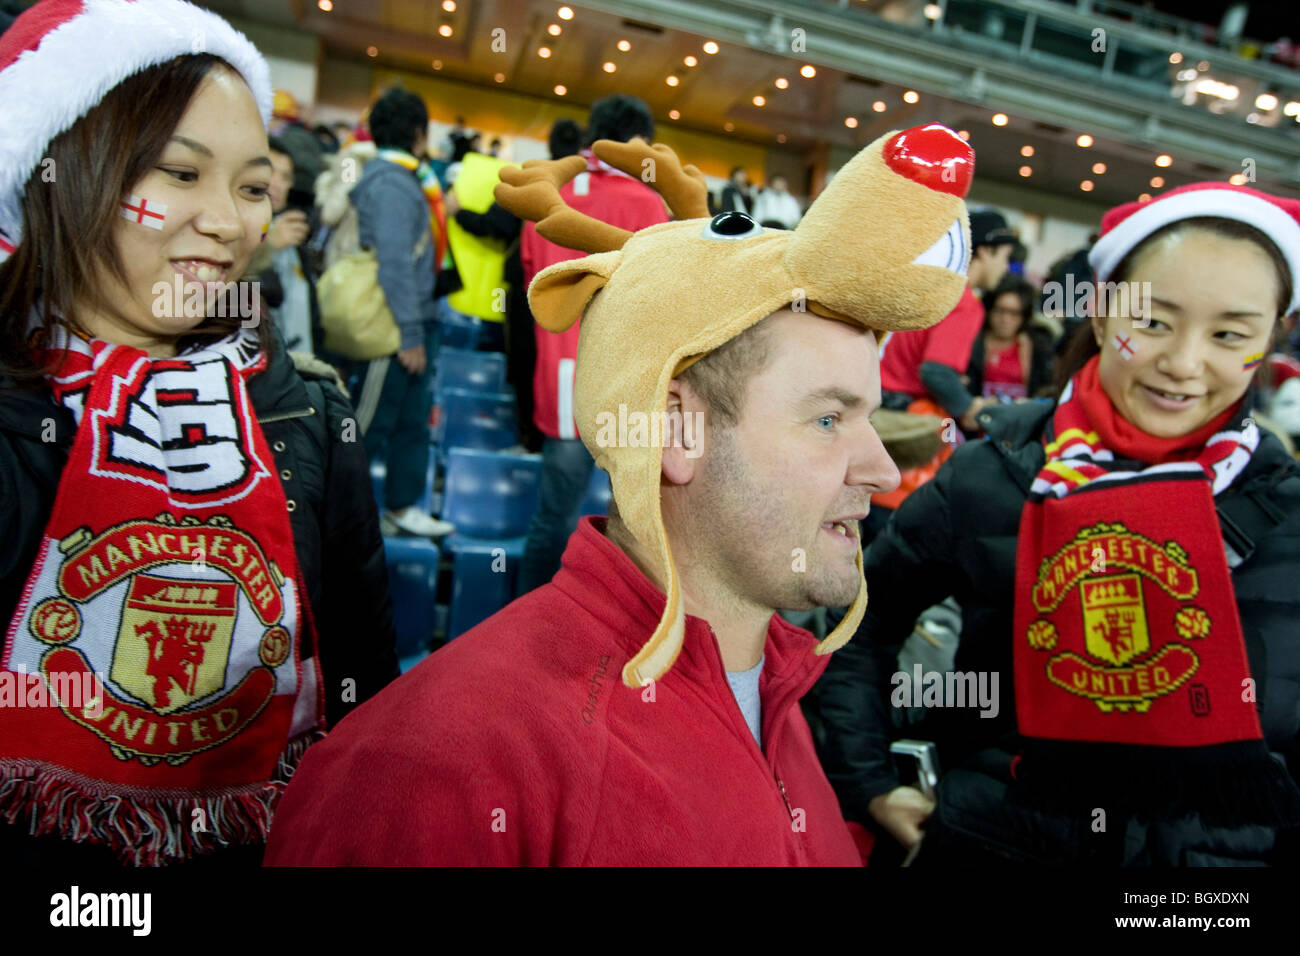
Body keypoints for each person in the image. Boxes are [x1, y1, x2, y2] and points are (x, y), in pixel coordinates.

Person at [263, 123, 975, 866]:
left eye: (867, 415)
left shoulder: (782, 691)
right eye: (828, 418)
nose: (883, 471)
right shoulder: (429, 771)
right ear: (674, 433)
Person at [0, 0, 396, 866]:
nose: (228, 222)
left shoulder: (306, 414)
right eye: (181, 174)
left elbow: (364, 696)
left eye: (253, 187)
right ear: (55, 171)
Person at [817, 182, 1300, 866]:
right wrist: (868, 783)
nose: (1185, 364)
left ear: (1274, 338)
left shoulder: (1288, 512)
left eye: (1230, 335)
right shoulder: (995, 474)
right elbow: (857, 617)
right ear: (1100, 315)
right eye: (1154, 321)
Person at [516, 95, 668, 595]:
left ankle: (525, 620)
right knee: (625, 529)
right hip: (621, 384)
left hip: (558, 380)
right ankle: (600, 631)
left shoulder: (548, 194)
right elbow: (656, 301)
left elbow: (532, 281)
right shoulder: (647, 203)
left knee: (551, 516)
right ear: (638, 144)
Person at [348, 87, 453, 538]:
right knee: (369, 425)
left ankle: (400, 507)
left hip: (417, 318)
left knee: (412, 419)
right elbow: (393, 263)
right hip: (391, 325)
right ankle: (341, 516)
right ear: (418, 133)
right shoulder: (392, 183)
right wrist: (409, 333)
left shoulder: (413, 180)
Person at [443, 119, 583, 451]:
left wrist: (459, 213)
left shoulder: (532, 178)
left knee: (524, 362)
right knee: (565, 365)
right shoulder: (589, 189)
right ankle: (555, 441)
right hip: (575, 291)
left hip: (525, 290)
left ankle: (529, 439)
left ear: (549, 145)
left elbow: (495, 225)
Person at [879, 209, 1018, 432]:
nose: (1006, 267)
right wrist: (969, 409)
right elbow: (936, 373)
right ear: (984, 251)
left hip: (880, 402)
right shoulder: (964, 302)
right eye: (1004, 257)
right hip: (905, 415)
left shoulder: (935, 285)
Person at [244, 136, 316, 354]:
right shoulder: (231, 225)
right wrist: (268, 247)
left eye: (285, 177)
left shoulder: (291, 227)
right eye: (270, 171)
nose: (276, 183)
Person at [966, 275, 1054, 400]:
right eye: (1000, 310)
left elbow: (1045, 387)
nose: (1005, 320)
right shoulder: (973, 342)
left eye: (1014, 313)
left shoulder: (1037, 345)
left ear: (1024, 316)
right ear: (989, 310)